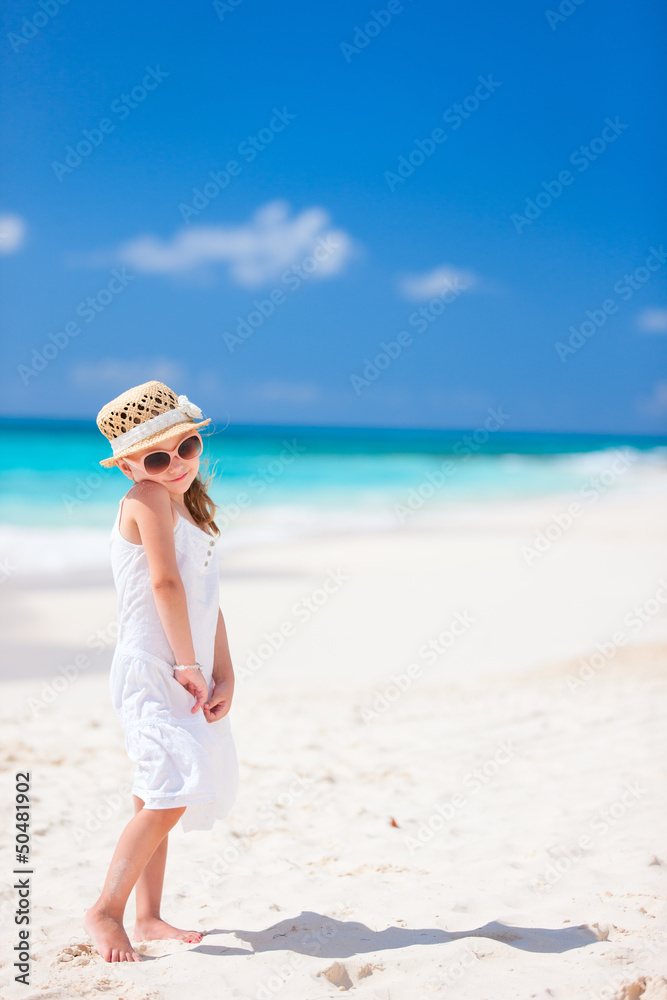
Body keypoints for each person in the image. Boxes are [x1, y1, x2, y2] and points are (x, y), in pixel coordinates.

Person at [83, 380, 239, 962]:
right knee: (173, 789)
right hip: (155, 668)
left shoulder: (188, 507)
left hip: (186, 667)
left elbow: (207, 598)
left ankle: (147, 916)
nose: (175, 465)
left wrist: (224, 671)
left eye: (187, 447)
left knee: (157, 790)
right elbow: (164, 584)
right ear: (128, 467)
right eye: (156, 457)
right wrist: (190, 665)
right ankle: (106, 909)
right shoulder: (145, 500)